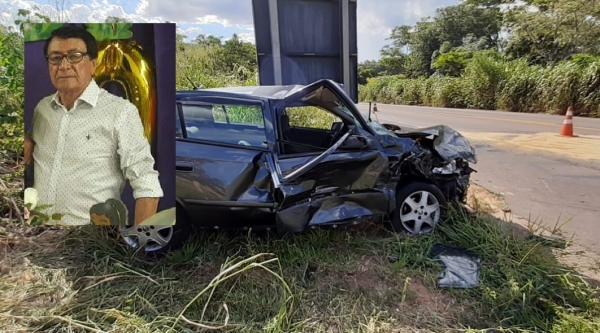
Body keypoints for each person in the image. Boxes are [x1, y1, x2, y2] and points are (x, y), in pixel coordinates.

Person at [24, 25, 163, 226]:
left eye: (74, 56)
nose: (63, 66)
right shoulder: (43, 109)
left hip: (91, 242)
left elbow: (147, 183)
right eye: (55, 58)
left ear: (93, 64)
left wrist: (140, 245)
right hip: (36, 237)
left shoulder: (120, 112)